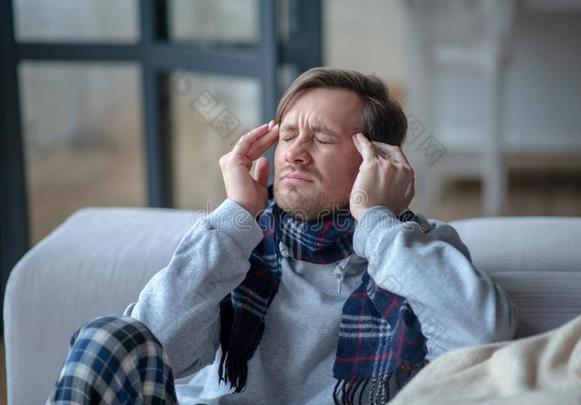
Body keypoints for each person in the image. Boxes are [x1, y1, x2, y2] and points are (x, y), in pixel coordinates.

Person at [48, 67, 517, 405]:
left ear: (376, 160)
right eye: (289, 135)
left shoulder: (415, 248)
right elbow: (155, 346)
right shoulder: (238, 241)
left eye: (322, 138)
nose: (294, 154)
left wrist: (375, 222)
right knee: (108, 337)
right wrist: (237, 215)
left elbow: (481, 336)